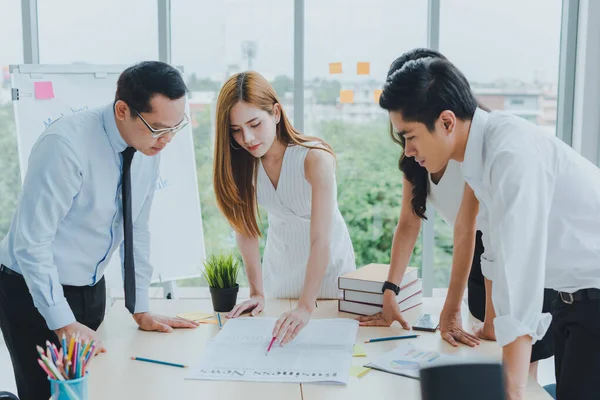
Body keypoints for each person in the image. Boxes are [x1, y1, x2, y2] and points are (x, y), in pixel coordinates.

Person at [378, 52, 600, 400]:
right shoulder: (479, 158)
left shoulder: (510, 153)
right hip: (570, 297)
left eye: (410, 136)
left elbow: (521, 278)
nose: (407, 151)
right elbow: (496, 251)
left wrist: (509, 392)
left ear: (447, 122)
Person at [0, 61, 199, 400]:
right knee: (47, 394)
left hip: (92, 288)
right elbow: (32, 243)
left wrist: (140, 306)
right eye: (158, 129)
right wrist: (62, 321)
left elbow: (136, 227)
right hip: (31, 290)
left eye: (175, 128)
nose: (166, 140)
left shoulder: (150, 146)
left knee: (96, 389)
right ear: (123, 110)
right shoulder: (65, 147)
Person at [357, 49, 555, 381]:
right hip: (482, 264)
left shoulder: (476, 148)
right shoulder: (417, 155)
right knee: (483, 357)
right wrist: (390, 289)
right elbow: (408, 224)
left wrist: (455, 310)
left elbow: (469, 229)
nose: (406, 143)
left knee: (516, 369)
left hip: (507, 257)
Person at [213, 71, 355, 345]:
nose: (248, 138)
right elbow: (246, 231)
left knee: (326, 347)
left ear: (276, 113)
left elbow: (320, 240)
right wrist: (256, 292)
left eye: (255, 124)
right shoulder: (244, 163)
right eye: (236, 130)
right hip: (280, 271)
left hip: (326, 274)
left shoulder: (314, 158)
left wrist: (305, 306)